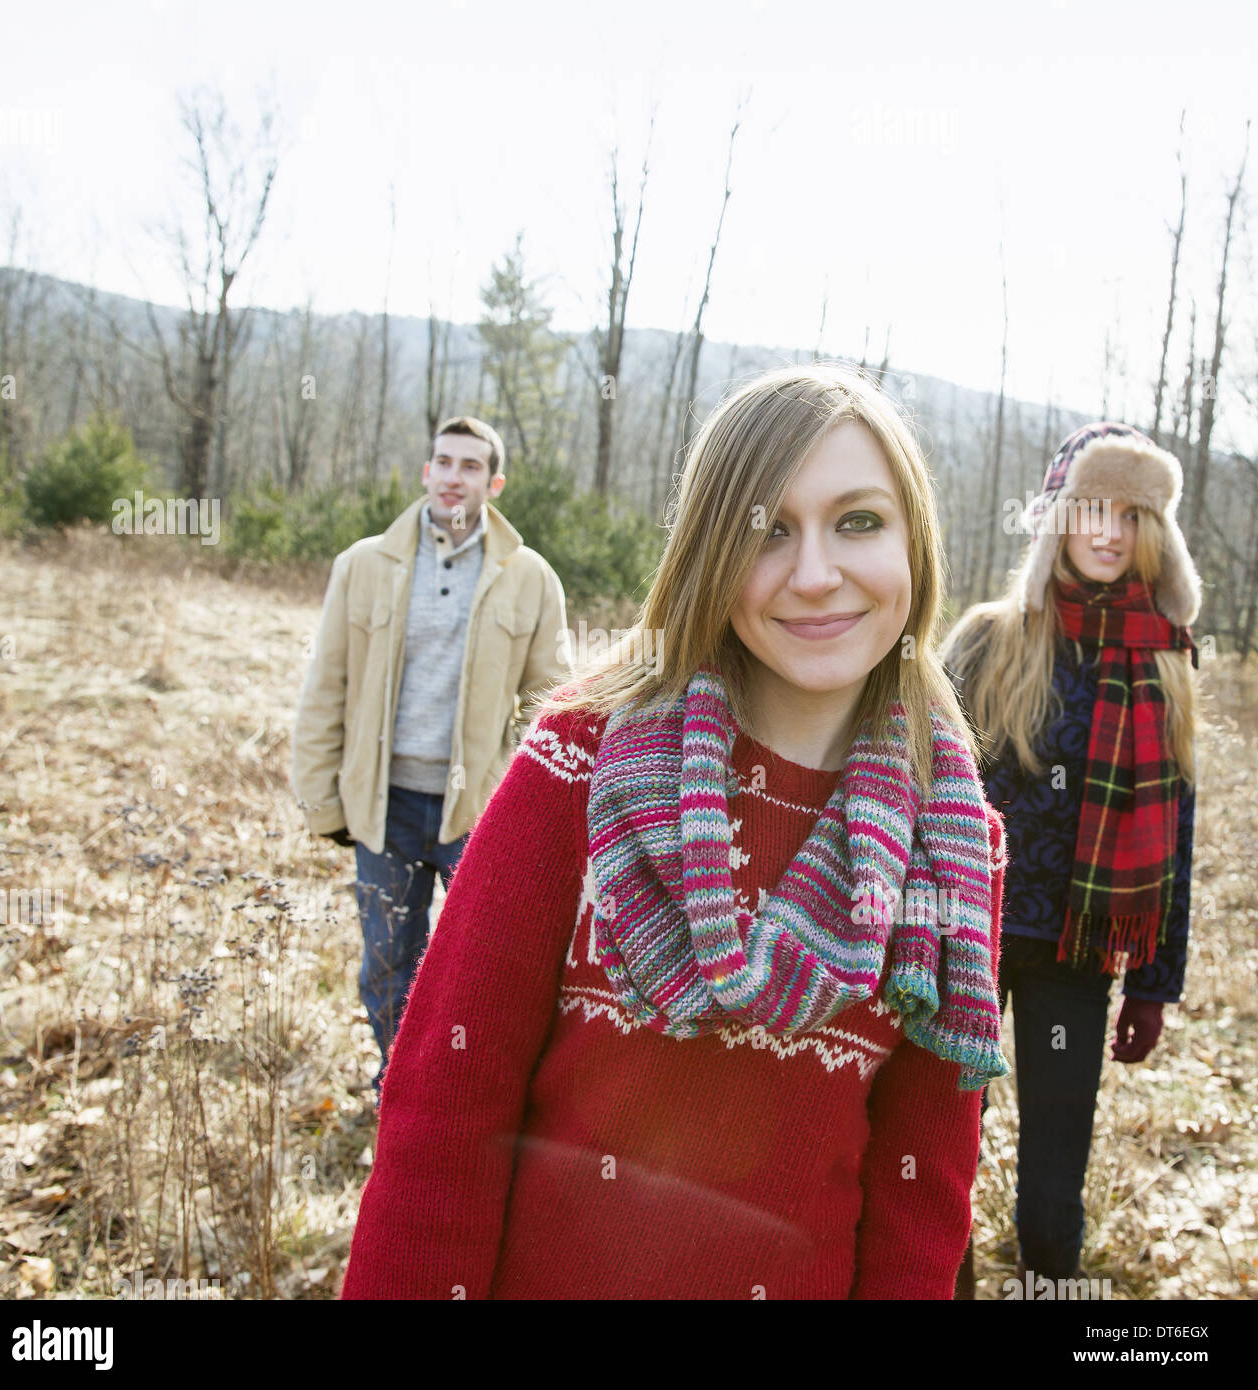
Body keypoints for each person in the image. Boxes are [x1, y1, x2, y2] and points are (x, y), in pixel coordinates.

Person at [341, 363, 1010, 1301]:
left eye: (858, 521)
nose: (816, 574)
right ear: (710, 554)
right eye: (768, 531)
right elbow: (445, 1111)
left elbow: (922, 1196)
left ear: (917, 547)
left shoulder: (950, 842)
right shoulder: (582, 763)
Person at [941, 422, 1201, 1296]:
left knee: (1054, 1188)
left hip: (1079, 954)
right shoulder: (989, 638)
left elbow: (1180, 830)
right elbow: (917, 785)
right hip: (965, 942)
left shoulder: (1162, 657)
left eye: (1131, 515)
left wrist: (1156, 983)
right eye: (1090, 508)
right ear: (1057, 516)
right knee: (938, 1158)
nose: (1107, 531)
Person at [291, 416, 570, 1100]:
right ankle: (401, 1088)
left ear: (493, 483)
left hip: (474, 809)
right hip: (382, 803)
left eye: (470, 466)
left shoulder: (529, 578)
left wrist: (529, 802)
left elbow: (551, 703)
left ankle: (472, 1093)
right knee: (387, 963)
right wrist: (324, 801)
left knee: (491, 967)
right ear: (426, 471)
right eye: (443, 462)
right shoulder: (363, 566)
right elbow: (326, 684)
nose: (453, 476)